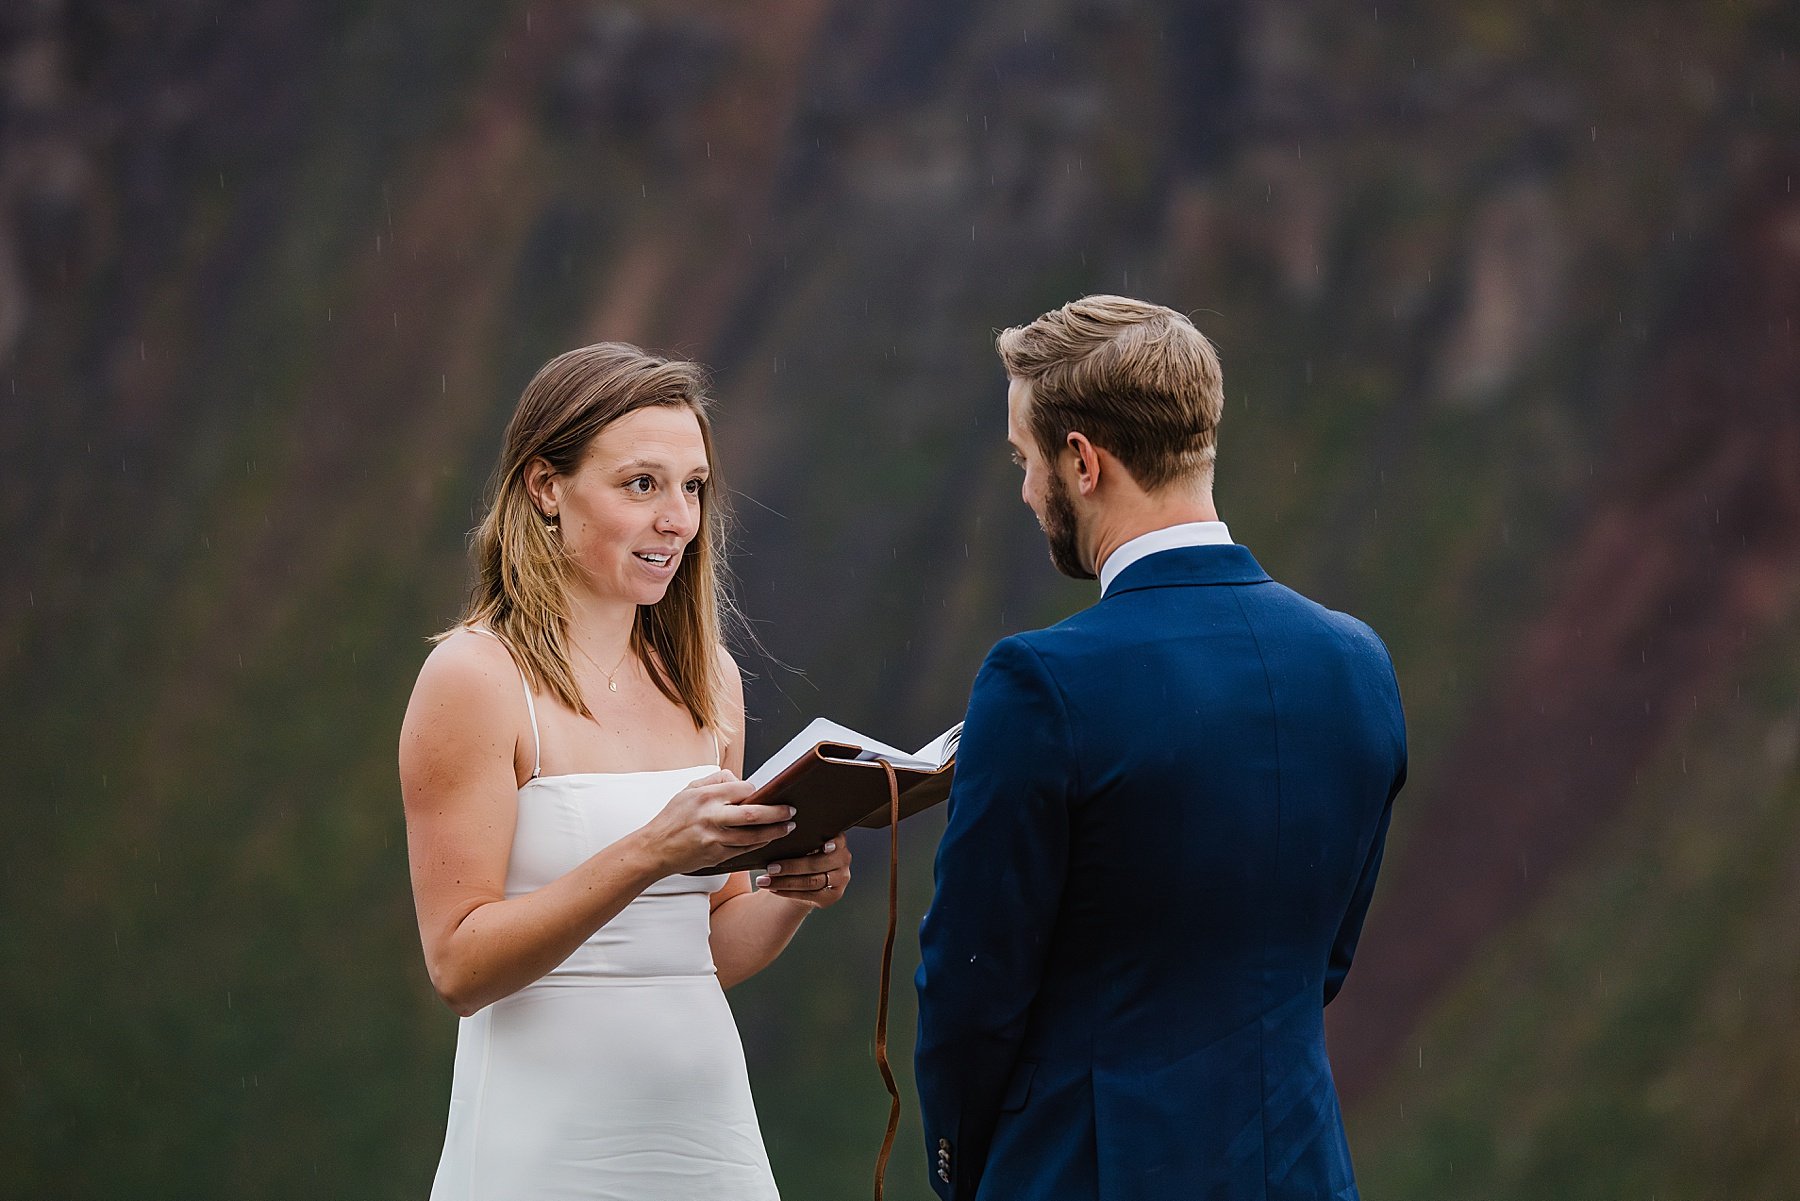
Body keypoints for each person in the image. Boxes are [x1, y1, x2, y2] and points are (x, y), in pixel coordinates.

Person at [914, 296, 1407, 1200]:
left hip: (1089, 1171)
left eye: (1026, 461)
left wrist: (962, 1167)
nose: (1026, 492)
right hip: (1299, 1169)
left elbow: (971, 989)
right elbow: (1322, 958)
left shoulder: (1040, 683)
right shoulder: (1356, 664)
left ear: (1081, 460)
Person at [400, 343, 851, 1200]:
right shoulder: (474, 677)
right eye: (641, 484)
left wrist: (793, 892)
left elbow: (703, 947)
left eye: (692, 486)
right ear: (545, 487)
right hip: (542, 1143)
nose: (677, 518)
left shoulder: (709, 677)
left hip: (706, 1138)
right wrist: (649, 851)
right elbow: (459, 965)